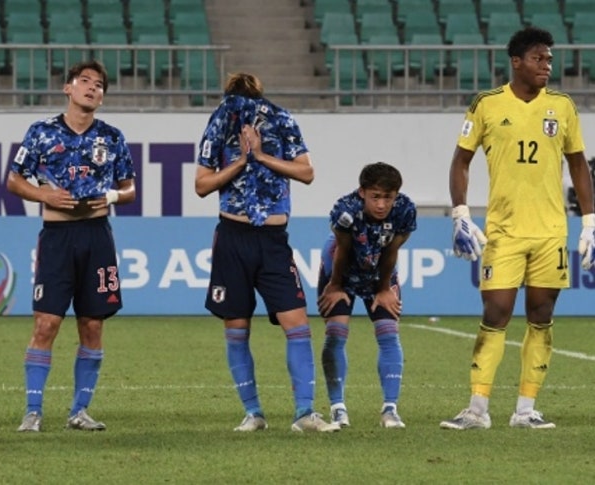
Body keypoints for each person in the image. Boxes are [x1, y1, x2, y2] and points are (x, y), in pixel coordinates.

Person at [440, 26, 595, 430]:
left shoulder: (561, 107)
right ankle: (476, 409)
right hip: (504, 232)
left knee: (541, 315)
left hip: (549, 232)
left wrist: (590, 222)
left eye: (549, 59)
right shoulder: (487, 105)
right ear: (517, 61)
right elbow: (461, 160)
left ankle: (526, 409)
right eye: (538, 58)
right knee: (496, 312)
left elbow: (578, 163)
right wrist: (460, 212)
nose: (547, 65)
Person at [195, 72, 339, 433]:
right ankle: (255, 413)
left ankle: (303, 413)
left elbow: (306, 172)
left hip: (273, 240)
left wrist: (259, 155)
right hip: (233, 235)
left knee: (294, 324)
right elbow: (201, 185)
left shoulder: (282, 120)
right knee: (241, 326)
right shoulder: (219, 125)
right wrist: (241, 162)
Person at [7, 60, 136, 432]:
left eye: (99, 84)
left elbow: (129, 189)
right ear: (68, 88)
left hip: (97, 236)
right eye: (84, 81)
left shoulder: (111, 137)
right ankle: (33, 411)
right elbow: (14, 181)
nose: (92, 88)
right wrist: (42, 193)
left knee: (92, 325)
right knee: (46, 323)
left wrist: (111, 195)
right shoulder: (42, 133)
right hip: (57, 238)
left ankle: (79, 411)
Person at [317, 162, 416, 429]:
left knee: (388, 332)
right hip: (341, 267)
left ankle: (390, 409)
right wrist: (336, 286)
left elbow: (392, 250)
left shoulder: (405, 209)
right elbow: (342, 251)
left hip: (380, 266)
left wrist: (384, 288)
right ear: (362, 192)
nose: (382, 204)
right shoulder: (345, 211)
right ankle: (338, 408)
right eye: (376, 196)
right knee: (336, 333)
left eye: (388, 197)